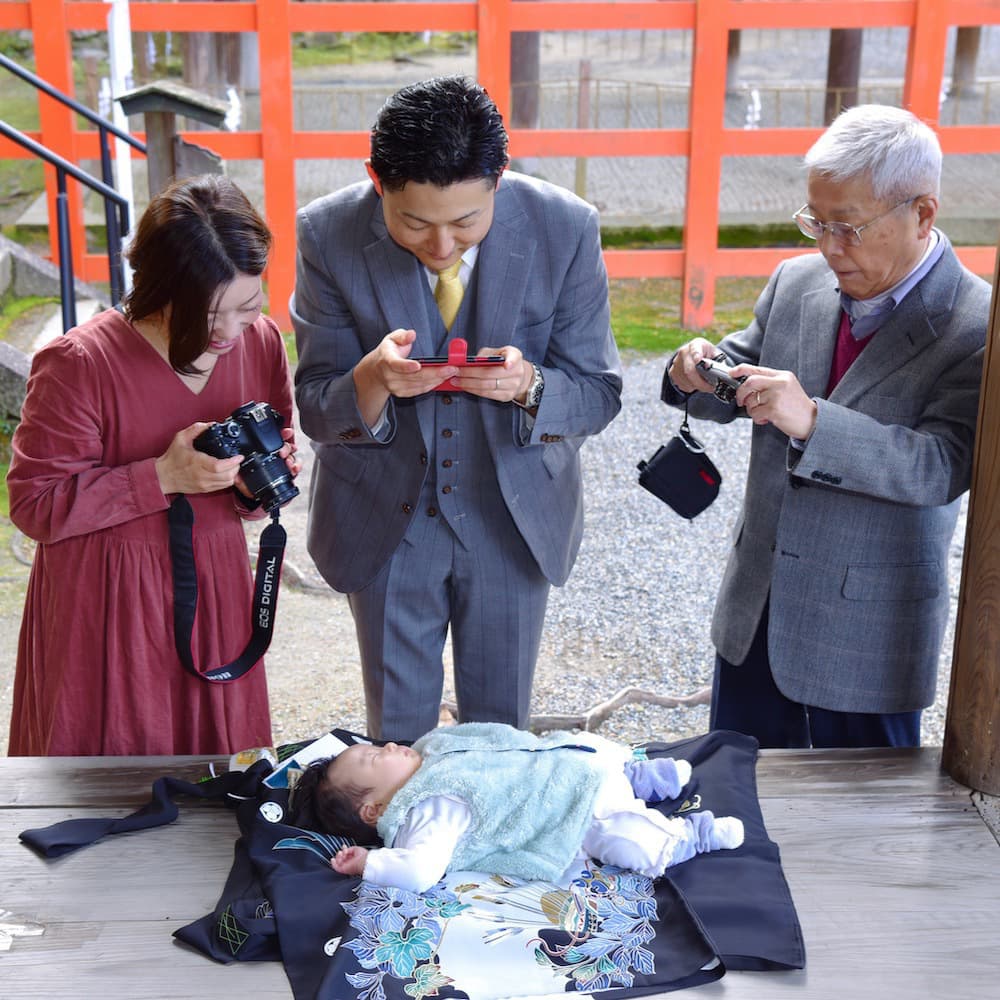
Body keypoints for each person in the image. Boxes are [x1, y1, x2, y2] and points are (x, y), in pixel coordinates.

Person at [291, 76, 622, 742]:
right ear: (376, 181)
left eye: (465, 222)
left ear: (499, 179)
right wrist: (372, 379)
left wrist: (530, 385)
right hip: (384, 517)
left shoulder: (565, 228)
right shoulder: (327, 233)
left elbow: (599, 392)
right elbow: (317, 408)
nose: (441, 246)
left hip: (512, 517)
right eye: (415, 223)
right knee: (395, 743)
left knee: (500, 736)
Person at [663, 105, 991, 750]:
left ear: (923, 214)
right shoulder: (797, 280)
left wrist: (814, 422)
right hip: (756, 612)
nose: (829, 247)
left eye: (849, 227)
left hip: (869, 637)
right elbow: (738, 375)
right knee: (734, 795)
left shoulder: (977, 323)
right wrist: (694, 374)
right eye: (817, 222)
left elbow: (943, 467)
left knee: (865, 812)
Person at [7, 174, 299, 756]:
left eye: (247, 306)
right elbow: (34, 504)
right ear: (160, 290)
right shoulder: (79, 363)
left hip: (216, 587)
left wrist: (250, 490)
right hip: (105, 599)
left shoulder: (262, 342)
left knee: (217, 776)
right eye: (207, 313)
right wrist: (161, 476)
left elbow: (264, 473)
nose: (229, 331)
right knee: (107, 776)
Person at [292, 722, 744, 894]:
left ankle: (641, 776)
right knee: (626, 838)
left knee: (592, 747)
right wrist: (370, 862)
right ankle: (691, 836)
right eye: (376, 757)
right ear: (374, 810)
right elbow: (420, 870)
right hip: (566, 812)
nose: (388, 745)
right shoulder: (427, 809)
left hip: (562, 761)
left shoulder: (432, 749)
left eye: (378, 745)